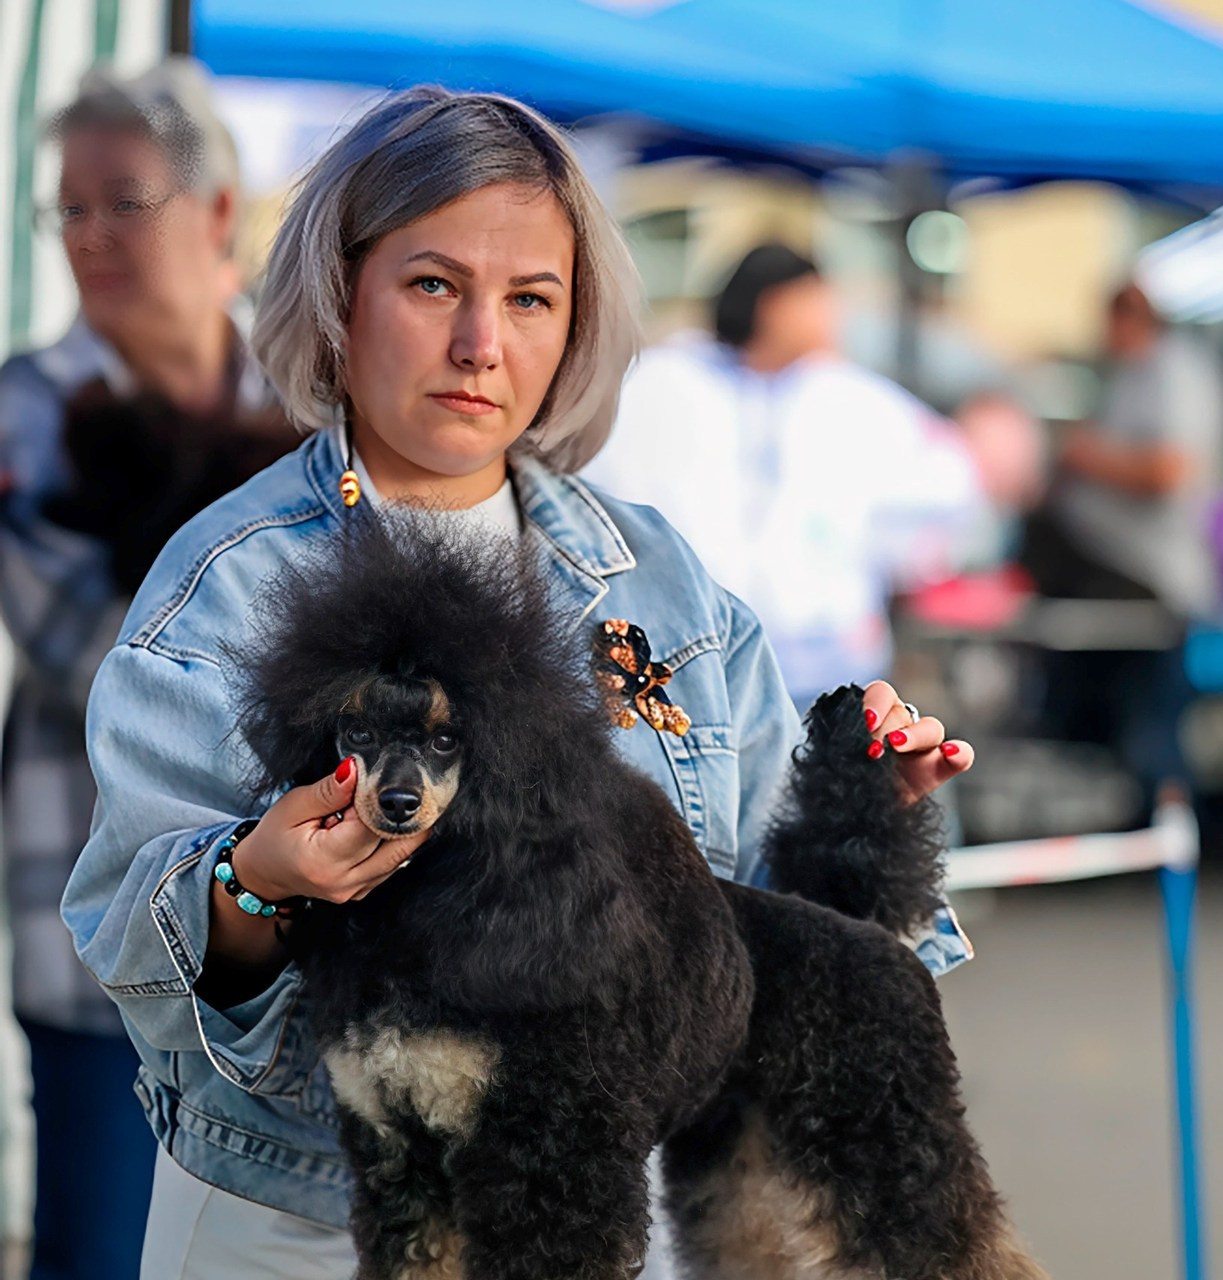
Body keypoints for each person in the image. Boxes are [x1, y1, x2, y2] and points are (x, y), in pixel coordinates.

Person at [61, 88, 975, 1279]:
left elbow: (757, 930)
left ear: (575, 325)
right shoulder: (226, 587)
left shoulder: (661, 582)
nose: (481, 344)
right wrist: (255, 880)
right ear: (340, 294)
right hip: (305, 1228)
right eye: (433, 284)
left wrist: (869, 819)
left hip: (599, 1212)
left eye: (530, 298)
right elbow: (129, 939)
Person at [0, 59, 291, 1280]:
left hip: (304, 935)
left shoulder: (305, 390)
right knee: (102, 1246)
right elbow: (104, 658)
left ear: (218, 210)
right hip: (102, 928)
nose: (90, 237)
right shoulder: (25, 411)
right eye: (68, 208)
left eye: (124, 200)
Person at [587, 243, 990, 707]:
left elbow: (946, 483)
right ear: (772, 304)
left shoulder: (846, 394)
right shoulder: (664, 384)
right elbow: (602, 488)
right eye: (815, 300)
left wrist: (889, 562)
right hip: (691, 657)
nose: (831, 315)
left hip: (827, 664)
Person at [1019, 281, 1223, 812]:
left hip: (1147, 581)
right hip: (1120, 578)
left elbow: (1169, 469)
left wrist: (1086, 458)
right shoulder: (1134, 374)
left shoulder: (1172, 373)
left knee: (1151, 731)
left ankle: (1169, 851)